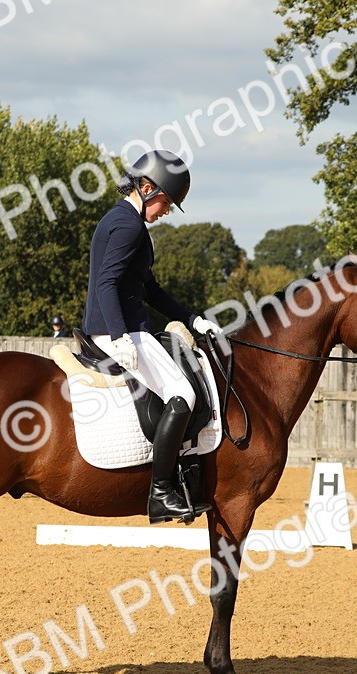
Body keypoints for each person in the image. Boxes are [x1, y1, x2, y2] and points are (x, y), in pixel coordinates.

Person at [82, 150, 222, 524]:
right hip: (120, 330)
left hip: (124, 326)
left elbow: (151, 291)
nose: (167, 212)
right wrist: (119, 336)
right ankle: (161, 493)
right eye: (166, 203)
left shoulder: (125, 220)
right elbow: (108, 283)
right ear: (147, 188)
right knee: (185, 394)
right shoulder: (128, 226)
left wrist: (192, 319)